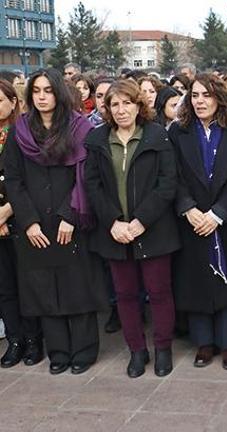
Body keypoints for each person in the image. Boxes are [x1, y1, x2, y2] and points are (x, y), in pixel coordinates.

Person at [4, 68, 107, 375]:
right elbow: (13, 178)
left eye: (48, 90)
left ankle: (84, 350)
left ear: (58, 92)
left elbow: (86, 175)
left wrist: (69, 215)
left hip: (71, 219)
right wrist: (29, 222)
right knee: (44, 290)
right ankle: (59, 351)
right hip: (36, 225)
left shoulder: (79, 128)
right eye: (36, 91)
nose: (42, 97)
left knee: (77, 286)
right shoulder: (21, 131)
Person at [84, 79, 179, 378]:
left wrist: (140, 222)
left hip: (153, 228)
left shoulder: (157, 135)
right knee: (125, 294)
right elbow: (93, 185)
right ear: (107, 109)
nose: (121, 109)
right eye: (115, 104)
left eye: (127, 103)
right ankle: (137, 350)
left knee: (159, 291)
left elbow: (167, 183)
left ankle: (163, 348)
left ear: (139, 105)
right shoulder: (98, 140)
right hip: (114, 231)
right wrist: (113, 221)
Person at [169, 73, 227, 370]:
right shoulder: (178, 132)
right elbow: (173, 175)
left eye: (207, 95)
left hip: (223, 219)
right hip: (191, 219)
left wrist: (218, 214)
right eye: (195, 95)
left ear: (220, 98)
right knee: (195, 280)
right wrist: (188, 208)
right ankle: (203, 343)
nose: (200, 101)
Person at [0, 79, 43, 368]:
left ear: (14, 102)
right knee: (4, 287)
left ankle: (33, 339)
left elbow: (28, 180)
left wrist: (6, 212)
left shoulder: (23, 133)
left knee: (26, 283)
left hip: (19, 218)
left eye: (0, 99)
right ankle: (14, 339)